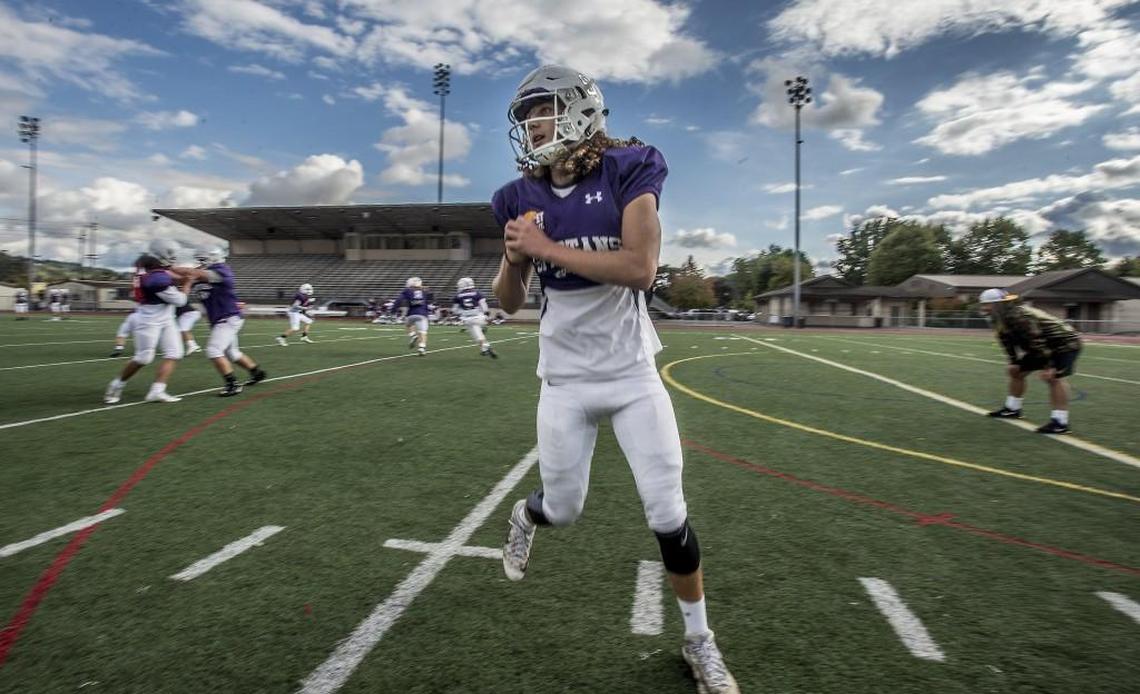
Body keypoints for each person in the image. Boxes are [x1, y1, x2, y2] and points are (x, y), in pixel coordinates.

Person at [491, 65, 738, 693]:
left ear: (578, 109)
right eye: (526, 116)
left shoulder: (629, 167)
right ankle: (526, 514)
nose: (532, 125)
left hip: (631, 375)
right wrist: (515, 261)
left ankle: (699, 640)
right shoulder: (519, 197)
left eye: (541, 110)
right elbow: (508, 301)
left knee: (668, 511)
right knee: (564, 508)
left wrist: (544, 250)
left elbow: (640, 268)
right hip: (565, 379)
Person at [978, 288, 1082, 434]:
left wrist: (1048, 366)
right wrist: (1013, 360)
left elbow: (1036, 339)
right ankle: (1013, 408)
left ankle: (1060, 422)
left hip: (1064, 343)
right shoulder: (999, 317)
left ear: (997, 304)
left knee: (1053, 378)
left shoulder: (1018, 315)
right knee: (1015, 371)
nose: (984, 308)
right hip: (1044, 345)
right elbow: (1005, 339)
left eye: (986, 304)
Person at [103, 240, 191, 404]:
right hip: (149, 318)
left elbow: (169, 274)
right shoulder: (156, 279)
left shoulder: (149, 268)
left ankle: (157, 391)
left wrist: (184, 276)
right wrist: (187, 283)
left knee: (174, 353)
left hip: (166, 317)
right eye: (170, 254)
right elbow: (180, 301)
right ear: (159, 255)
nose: (173, 258)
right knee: (144, 357)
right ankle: (116, 385)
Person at [179, 247, 267, 397]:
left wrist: (168, 268)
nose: (199, 263)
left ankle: (232, 384)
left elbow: (192, 273)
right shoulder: (202, 275)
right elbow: (183, 280)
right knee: (232, 353)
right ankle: (256, 372)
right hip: (221, 318)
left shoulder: (221, 271)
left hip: (228, 318)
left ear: (211, 259)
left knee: (214, 350)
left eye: (202, 260)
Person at [451, 276, 497, 359]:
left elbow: (454, 310)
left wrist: (459, 313)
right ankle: (484, 349)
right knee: (479, 332)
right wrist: (486, 314)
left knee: (476, 336)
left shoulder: (458, 296)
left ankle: (486, 347)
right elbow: (483, 305)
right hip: (479, 317)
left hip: (467, 319)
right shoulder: (477, 293)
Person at [393, 277, 432, 356]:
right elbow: (430, 299)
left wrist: (393, 310)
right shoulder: (425, 291)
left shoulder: (407, 290)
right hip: (422, 314)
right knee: (423, 332)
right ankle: (421, 348)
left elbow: (399, 300)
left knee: (408, 325)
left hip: (411, 314)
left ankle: (413, 335)